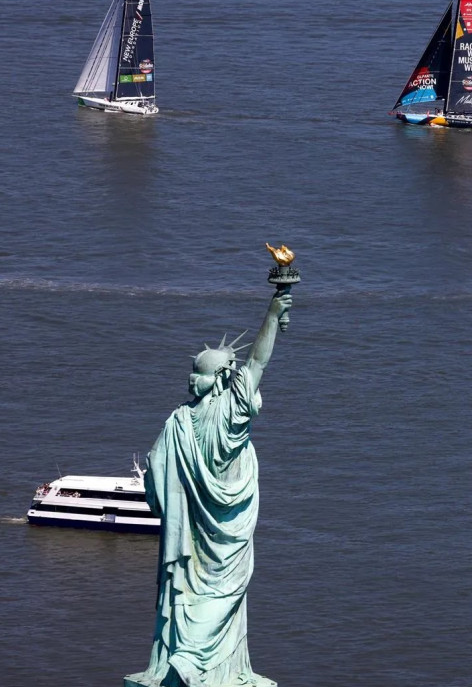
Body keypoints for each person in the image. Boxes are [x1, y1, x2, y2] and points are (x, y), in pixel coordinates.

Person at [125, 291, 292, 687]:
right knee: (225, 591)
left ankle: (181, 656)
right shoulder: (232, 412)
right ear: (223, 379)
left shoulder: (178, 422)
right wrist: (274, 310)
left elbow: (154, 476)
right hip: (229, 527)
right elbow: (259, 360)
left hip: (190, 533)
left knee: (187, 589)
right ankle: (205, 663)